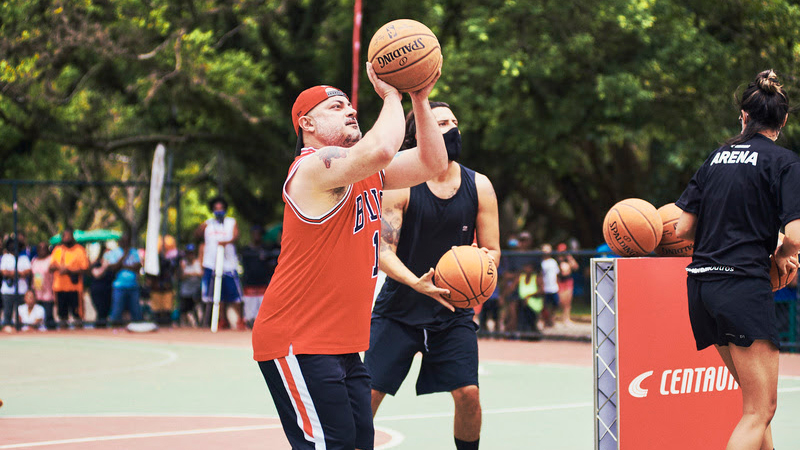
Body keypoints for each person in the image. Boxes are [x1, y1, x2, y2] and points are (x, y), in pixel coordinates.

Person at [252, 60, 448, 450]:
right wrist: (392, 93)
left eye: (349, 105)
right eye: (336, 107)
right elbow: (380, 149)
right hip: (298, 339)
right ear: (307, 124)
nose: (351, 110)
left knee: (358, 444)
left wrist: (419, 99)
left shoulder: (366, 171)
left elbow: (433, 163)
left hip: (343, 345)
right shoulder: (310, 168)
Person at [675, 70, 800, 450]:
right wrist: (782, 255)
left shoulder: (715, 159)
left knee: (755, 407)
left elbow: (682, 228)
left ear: (743, 117)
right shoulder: (784, 161)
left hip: (701, 288)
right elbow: (795, 235)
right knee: (760, 411)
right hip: (742, 286)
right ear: (784, 119)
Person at [367, 100, 500, 450]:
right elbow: (382, 250)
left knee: (469, 393)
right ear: (420, 135)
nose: (452, 128)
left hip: (452, 310)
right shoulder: (400, 183)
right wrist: (415, 282)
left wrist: (485, 269)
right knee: (366, 397)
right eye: (441, 123)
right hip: (400, 308)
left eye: (455, 121)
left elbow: (493, 250)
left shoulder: (480, 185)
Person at [195, 196, 243, 330]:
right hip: (212, 263)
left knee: (235, 295)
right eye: (216, 209)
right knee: (217, 294)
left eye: (221, 208)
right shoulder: (208, 224)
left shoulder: (231, 222)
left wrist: (226, 242)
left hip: (229, 264)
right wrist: (203, 226)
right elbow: (197, 235)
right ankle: (221, 320)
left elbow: (236, 235)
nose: (219, 211)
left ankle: (240, 320)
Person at [49, 228, 89, 329]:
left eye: (68, 236)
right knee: (62, 317)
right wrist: (59, 268)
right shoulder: (57, 250)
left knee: (77, 316)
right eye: (64, 236)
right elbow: (51, 267)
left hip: (74, 288)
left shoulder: (79, 250)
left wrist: (69, 270)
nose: (66, 238)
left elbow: (85, 268)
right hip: (60, 287)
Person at [106, 233, 143, 325]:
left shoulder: (134, 251)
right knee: (117, 311)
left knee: (136, 311)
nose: (126, 243)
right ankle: (114, 330)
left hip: (133, 286)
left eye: (127, 241)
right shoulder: (115, 252)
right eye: (124, 241)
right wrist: (124, 255)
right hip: (119, 286)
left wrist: (123, 266)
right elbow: (114, 267)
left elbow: (138, 266)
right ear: (120, 242)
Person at [239, 225, 272, 329]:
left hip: (263, 285)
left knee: (262, 314)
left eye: (259, 233)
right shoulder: (246, 250)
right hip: (249, 285)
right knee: (249, 314)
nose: (257, 236)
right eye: (255, 233)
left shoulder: (266, 250)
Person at [1, 237, 32, 332]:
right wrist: (18, 273)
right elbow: (4, 272)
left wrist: (13, 273)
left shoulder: (23, 258)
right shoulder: (6, 257)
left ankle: (21, 330)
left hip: (21, 290)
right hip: (8, 291)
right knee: (8, 314)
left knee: (20, 314)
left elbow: (27, 272)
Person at [146, 236, 178, 326]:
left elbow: (173, 272)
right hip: (156, 288)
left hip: (166, 287)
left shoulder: (171, 259)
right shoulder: (153, 259)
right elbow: (150, 275)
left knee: (167, 311)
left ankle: (167, 325)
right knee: (157, 312)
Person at [30, 242, 56, 329]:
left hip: (48, 294)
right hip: (37, 294)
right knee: (38, 316)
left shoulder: (50, 259)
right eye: (40, 248)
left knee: (48, 316)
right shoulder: (34, 260)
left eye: (44, 248)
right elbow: (32, 276)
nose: (42, 250)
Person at [88, 244, 115, 328]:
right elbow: (96, 274)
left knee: (106, 313)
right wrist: (104, 266)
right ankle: (99, 329)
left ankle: (103, 328)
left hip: (108, 291)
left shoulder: (112, 265)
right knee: (100, 312)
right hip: (97, 291)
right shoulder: (97, 264)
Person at [178, 244, 203, 327]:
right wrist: (191, 274)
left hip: (196, 291)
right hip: (185, 291)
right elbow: (181, 276)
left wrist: (189, 274)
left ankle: (199, 325)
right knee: (184, 311)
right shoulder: (183, 263)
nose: (190, 255)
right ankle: (184, 326)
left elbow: (201, 274)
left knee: (197, 309)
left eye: (191, 253)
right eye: (188, 253)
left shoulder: (198, 263)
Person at [555, 242, 579, 326]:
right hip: (560, 281)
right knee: (560, 301)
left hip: (568, 281)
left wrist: (570, 258)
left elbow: (575, 267)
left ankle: (566, 318)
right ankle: (556, 318)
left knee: (568, 302)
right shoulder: (556, 260)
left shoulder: (568, 259)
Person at [539, 243, 560, 328]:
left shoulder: (553, 262)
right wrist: (541, 286)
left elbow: (557, 274)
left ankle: (552, 320)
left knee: (555, 305)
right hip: (545, 288)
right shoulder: (541, 262)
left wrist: (557, 284)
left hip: (554, 287)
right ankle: (545, 321)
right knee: (545, 306)